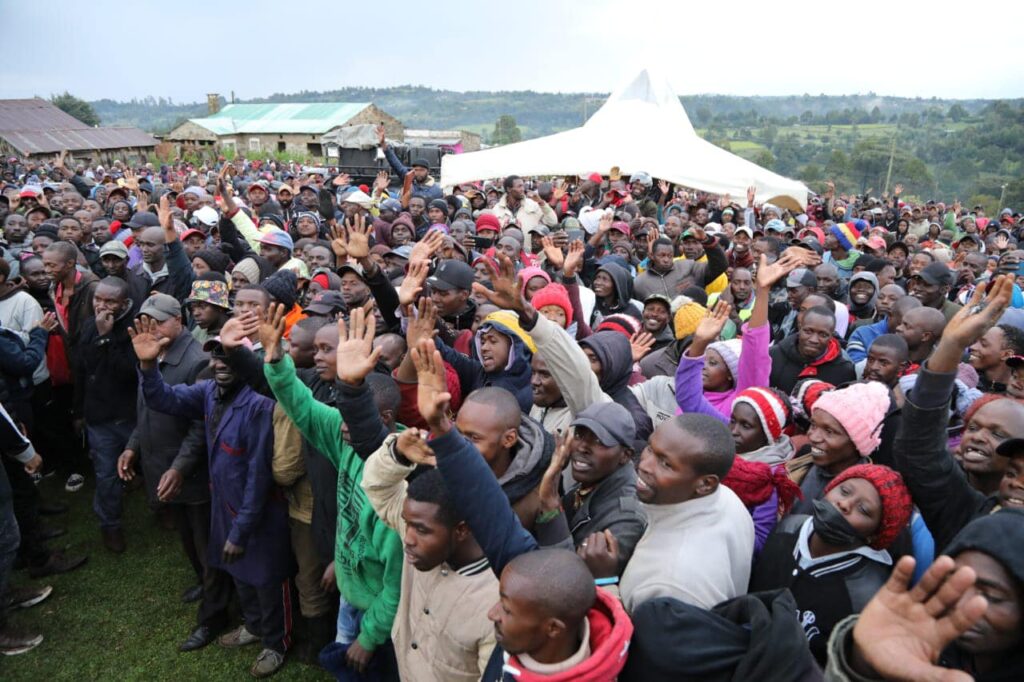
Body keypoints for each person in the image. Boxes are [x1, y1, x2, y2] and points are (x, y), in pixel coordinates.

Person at [408, 338, 634, 680]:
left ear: (553, 628)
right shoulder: (536, 596)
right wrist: (442, 430)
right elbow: (489, 510)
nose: (492, 614)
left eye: (507, 609)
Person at [133, 316, 292, 678]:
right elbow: (162, 399)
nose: (219, 364)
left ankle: (276, 642)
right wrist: (148, 366)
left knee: (268, 577)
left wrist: (241, 530)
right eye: (215, 357)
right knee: (239, 571)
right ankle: (253, 625)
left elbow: (259, 475)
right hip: (223, 505)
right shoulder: (207, 392)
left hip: (258, 511)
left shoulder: (259, 405)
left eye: (227, 357)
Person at [260, 305, 403, 677]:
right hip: (350, 595)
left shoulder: (401, 486)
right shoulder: (344, 434)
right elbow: (303, 406)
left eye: (352, 416)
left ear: (384, 419)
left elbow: (398, 582)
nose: (341, 423)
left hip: (383, 618)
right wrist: (275, 360)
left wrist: (369, 637)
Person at [115, 293, 230, 652]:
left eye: (159, 321)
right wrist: (133, 446)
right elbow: (145, 409)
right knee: (187, 537)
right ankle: (204, 584)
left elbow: (200, 426)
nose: (152, 328)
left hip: (191, 473)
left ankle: (214, 615)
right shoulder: (150, 353)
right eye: (146, 321)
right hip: (160, 465)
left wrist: (179, 468)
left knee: (206, 543)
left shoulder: (196, 361)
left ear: (179, 320)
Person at [893, 276, 1024, 551]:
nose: (978, 437)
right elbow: (918, 448)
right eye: (973, 428)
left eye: (999, 434)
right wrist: (951, 346)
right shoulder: (964, 511)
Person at [361, 429, 500, 681]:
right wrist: (397, 453)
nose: (407, 539)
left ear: (461, 530)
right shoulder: (423, 530)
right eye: (407, 524)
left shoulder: (497, 603)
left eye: (421, 530)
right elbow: (378, 487)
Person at [826, 509, 1024, 681]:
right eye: (951, 582)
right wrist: (861, 666)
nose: (960, 604)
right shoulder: (919, 647)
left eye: (991, 596)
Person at [751, 463, 913, 664]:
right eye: (844, 491)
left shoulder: (866, 593)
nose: (844, 504)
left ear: (874, 535)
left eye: (863, 509)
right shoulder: (788, 527)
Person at [532, 402, 647, 573]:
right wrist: (554, 476)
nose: (582, 447)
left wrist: (551, 506)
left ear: (625, 455)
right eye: (579, 435)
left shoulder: (627, 518)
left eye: (599, 441)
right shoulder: (597, 477)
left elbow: (567, 578)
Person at [74, 276, 138, 553]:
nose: (101, 306)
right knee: (106, 475)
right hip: (100, 416)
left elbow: (129, 373)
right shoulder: (90, 326)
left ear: (124, 303)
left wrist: (107, 338)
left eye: (110, 301)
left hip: (131, 413)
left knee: (150, 464)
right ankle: (110, 525)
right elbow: (81, 369)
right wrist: (78, 411)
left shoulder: (135, 327)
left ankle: (163, 508)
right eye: (98, 299)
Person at [790, 381, 892, 515]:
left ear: (857, 443)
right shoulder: (802, 457)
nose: (813, 437)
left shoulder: (863, 498)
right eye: (813, 425)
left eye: (829, 431)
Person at [769, 306, 857, 394]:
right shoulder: (772, 356)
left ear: (832, 335)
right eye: (808, 332)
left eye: (823, 335)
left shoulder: (845, 371)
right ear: (800, 327)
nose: (813, 340)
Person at [968, 324, 1024, 393]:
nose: (972, 347)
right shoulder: (962, 380)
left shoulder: (1017, 394)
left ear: (1006, 354)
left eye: (983, 344)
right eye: (975, 341)